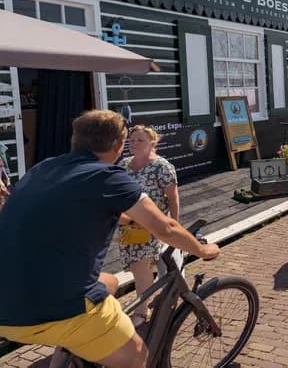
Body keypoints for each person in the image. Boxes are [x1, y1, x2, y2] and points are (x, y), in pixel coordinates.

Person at [0, 110, 218, 368]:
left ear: (75, 139)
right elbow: (166, 228)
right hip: (52, 307)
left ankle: (70, 356)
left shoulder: (43, 168)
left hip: (6, 298)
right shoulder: (108, 177)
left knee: (111, 282)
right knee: (137, 356)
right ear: (118, 145)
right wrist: (202, 250)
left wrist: (124, 218)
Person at [116, 125, 179, 326]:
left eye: (140, 140)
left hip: (151, 225)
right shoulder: (125, 164)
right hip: (127, 225)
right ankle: (157, 296)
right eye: (132, 140)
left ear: (153, 143)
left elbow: (173, 197)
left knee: (141, 266)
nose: (134, 144)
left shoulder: (162, 166)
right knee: (139, 267)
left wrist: (173, 226)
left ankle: (141, 312)